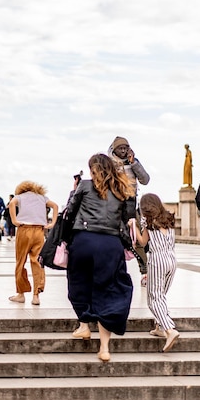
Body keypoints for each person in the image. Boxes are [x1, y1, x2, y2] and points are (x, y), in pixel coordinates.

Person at [66, 153, 134, 362]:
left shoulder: (85, 186)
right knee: (109, 290)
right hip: (110, 244)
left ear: (93, 169)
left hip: (84, 241)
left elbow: (70, 211)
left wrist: (74, 190)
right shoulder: (122, 189)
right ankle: (104, 348)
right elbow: (128, 218)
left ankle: (84, 325)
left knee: (80, 283)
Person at [134, 193, 179, 352]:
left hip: (158, 260)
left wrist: (133, 225)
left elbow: (141, 242)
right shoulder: (169, 218)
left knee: (153, 298)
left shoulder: (149, 221)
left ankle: (169, 329)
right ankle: (160, 327)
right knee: (161, 295)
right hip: (172, 260)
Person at [8, 181, 58, 306]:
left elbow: (11, 204)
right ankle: (36, 296)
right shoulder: (42, 198)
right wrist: (52, 223)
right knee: (37, 262)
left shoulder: (20, 197)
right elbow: (55, 206)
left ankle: (21, 294)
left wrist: (14, 220)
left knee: (20, 261)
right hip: (39, 231)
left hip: (24, 229)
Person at [109, 136, 150, 286]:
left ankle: (144, 271)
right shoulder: (109, 163)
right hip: (114, 205)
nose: (123, 151)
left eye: (125, 148)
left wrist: (134, 164)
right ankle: (114, 272)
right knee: (114, 239)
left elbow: (145, 180)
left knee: (137, 239)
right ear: (114, 149)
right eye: (120, 148)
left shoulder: (133, 162)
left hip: (131, 205)